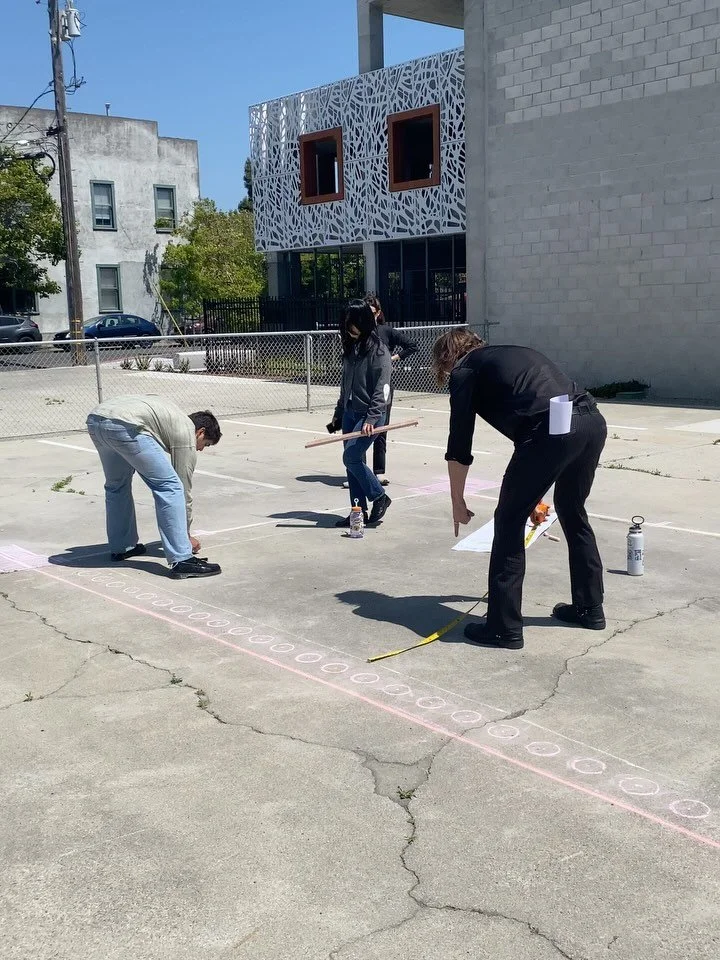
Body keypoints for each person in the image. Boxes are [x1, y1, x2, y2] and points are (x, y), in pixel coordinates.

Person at [432, 328, 607, 650]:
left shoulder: (465, 370)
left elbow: (459, 444)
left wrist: (457, 501)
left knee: (510, 521)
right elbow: (546, 403)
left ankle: (503, 627)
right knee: (572, 511)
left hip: (549, 433)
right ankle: (590, 608)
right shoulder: (510, 353)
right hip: (591, 421)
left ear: (448, 357)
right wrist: (536, 485)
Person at [86, 395, 223, 579]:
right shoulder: (186, 431)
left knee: (116, 486)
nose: (200, 449)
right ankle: (182, 559)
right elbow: (183, 488)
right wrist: (186, 535)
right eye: (205, 444)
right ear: (200, 432)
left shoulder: (172, 418)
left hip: (96, 420)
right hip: (126, 425)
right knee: (170, 486)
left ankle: (123, 547)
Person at [327, 300, 393, 527]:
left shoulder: (379, 350)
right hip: (350, 413)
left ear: (364, 322)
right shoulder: (350, 347)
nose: (348, 328)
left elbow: (382, 388)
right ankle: (358, 512)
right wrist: (338, 412)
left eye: (353, 323)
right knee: (352, 465)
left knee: (351, 457)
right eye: (346, 323)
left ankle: (379, 496)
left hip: (369, 415)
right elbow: (345, 385)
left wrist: (373, 418)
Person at [363, 293, 418, 485]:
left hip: (383, 387)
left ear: (378, 313)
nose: (368, 316)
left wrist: (394, 358)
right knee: (358, 429)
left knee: (380, 429)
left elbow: (412, 346)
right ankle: (359, 472)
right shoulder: (358, 333)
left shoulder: (386, 331)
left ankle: (379, 471)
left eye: (371, 312)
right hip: (362, 387)